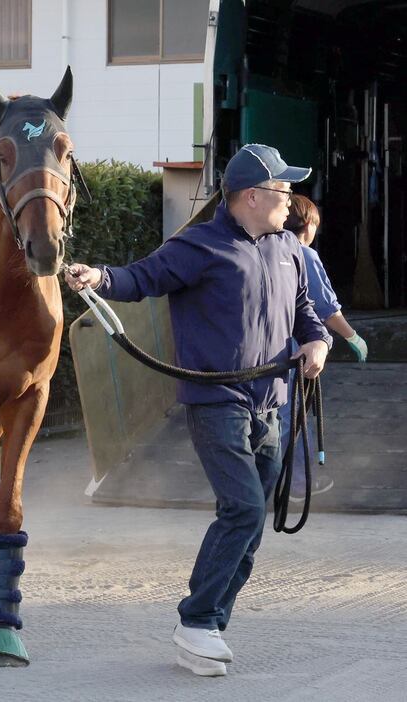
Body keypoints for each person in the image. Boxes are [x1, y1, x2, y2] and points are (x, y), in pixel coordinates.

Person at [64, 144, 332, 677]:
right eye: (283, 191)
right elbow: (142, 278)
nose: (291, 201)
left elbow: (306, 312)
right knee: (244, 510)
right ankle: (198, 620)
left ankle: (209, 625)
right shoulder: (199, 246)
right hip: (217, 402)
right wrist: (99, 277)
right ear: (251, 197)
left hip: (272, 404)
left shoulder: (287, 249)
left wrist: (318, 343)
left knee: (251, 526)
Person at [280, 194, 368, 501]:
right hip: (296, 348)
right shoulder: (305, 255)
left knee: (272, 416)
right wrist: (353, 337)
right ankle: (297, 483)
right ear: (307, 226)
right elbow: (328, 310)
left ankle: (265, 481)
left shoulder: (263, 249)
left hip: (263, 347)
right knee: (292, 416)